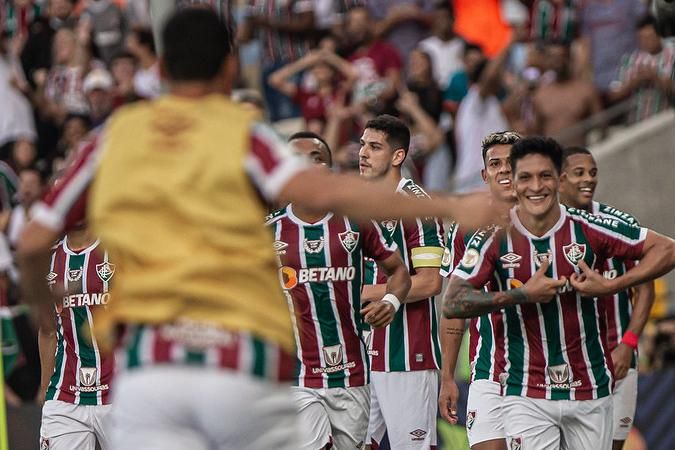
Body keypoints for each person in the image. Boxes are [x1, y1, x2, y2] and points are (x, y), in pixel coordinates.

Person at [17, 9, 493, 450]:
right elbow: (325, 193)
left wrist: (47, 305)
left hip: (148, 372)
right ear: (229, 71)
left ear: (160, 70)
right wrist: (451, 205)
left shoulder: (113, 137)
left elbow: (34, 241)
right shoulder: (239, 132)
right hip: (236, 368)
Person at [443, 136, 675, 450]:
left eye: (544, 176)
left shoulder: (592, 228)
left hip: (590, 386)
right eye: (525, 177)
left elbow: (666, 250)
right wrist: (522, 295)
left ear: (558, 180)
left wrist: (612, 286)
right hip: (521, 386)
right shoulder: (490, 237)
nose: (535, 186)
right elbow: (452, 302)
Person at [268, 131, 411, 450]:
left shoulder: (356, 220)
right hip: (295, 374)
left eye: (316, 159)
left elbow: (399, 271)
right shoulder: (268, 231)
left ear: (329, 169)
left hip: (352, 372)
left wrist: (390, 300)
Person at [558, 146, 655, 450]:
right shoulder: (548, 229)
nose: (588, 179)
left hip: (618, 358)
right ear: (560, 180)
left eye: (593, 172)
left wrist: (628, 344)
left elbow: (646, 289)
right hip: (566, 364)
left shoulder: (621, 224)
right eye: (579, 173)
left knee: (612, 444)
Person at [358, 115, 444, 449]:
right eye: (363, 144)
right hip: (363, 354)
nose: (363, 153)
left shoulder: (416, 205)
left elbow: (429, 283)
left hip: (407, 357)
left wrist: (360, 292)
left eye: (375, 147)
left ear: (398, 156)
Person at [438, 131, 521, 450]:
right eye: (495, 164)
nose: (503, 170)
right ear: (485, 174)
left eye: (511, 163)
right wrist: (447, 375)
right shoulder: (465, 226)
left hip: (539, 370)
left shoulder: (548, 220)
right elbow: (452, 305)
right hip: (486, 367)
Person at [38, 223, 114, 450]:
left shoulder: (118, 250)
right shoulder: (47, 259)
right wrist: (45, 392)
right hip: (64, 395)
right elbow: (47, 330)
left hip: (120, 394)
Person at [530, 41, 601, 146]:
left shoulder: (586, 90)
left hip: (581, 155)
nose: (558, 61)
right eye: (553, 57)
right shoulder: (540, 96)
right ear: (547, 60)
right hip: (554, 158)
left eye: (562, 56)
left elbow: (600, 125)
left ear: (570, 57)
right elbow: (535, 134)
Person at [608, 14, 675, 123]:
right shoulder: (629, 60)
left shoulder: (672, 56)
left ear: (659, 35)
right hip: (637, 123)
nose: (646, 42)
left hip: (665, 122)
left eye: (650, 37)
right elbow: (613, 95)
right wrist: (634, 82)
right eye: (642, 38)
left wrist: (656, 78)